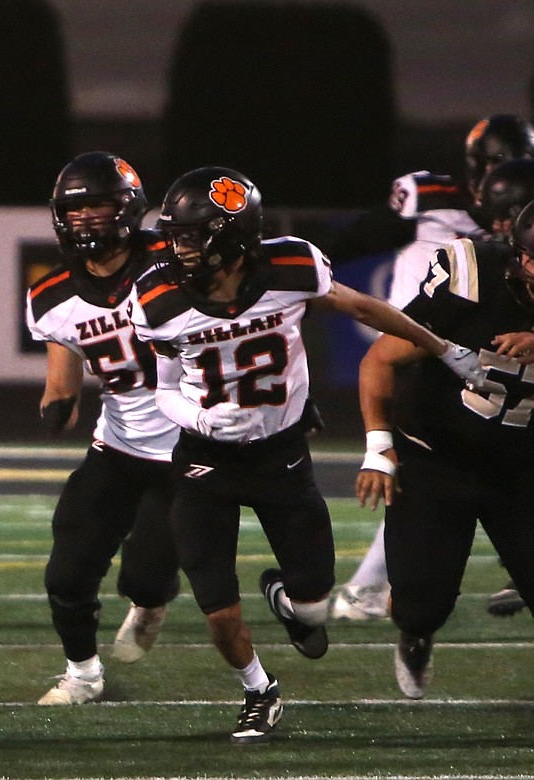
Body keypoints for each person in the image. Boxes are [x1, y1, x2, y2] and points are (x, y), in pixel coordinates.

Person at [129, 166, 488, 744]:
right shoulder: (157, 298)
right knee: (218, 611)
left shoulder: (293, 265)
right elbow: (163, 388)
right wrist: (198, 417)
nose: (179, 248)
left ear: (232, 235)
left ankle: (285, 594)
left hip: (281, 456)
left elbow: (366, 309)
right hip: (204, 461)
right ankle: (258, 690)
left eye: (193, 237)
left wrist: (442, 348)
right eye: (176, 236)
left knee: (314, 613)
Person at [332, 113, 534, 621]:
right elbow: (360, 237)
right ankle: (376, 589)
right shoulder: (439, 205)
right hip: (431, 343)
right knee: (430, 464)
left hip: (487, 354)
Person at [355, 198, 534, 699]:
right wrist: (378, 447)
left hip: (523, 469)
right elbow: (381, 359)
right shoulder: (471, 280)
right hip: (438, 458)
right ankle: (416, 635)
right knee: (419, 606)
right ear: (517, 255)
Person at [25, 152, 181, 706]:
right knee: (68, 568)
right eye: (77, 209)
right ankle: (83, 674)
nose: (88, 219)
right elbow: (62, 385)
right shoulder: (51, 296)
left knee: (145, 576)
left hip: (191, 447)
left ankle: (152, 598)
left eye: (99, 206)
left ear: (129, 208)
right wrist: (56, 408)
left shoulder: (174, 259)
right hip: (117, 444)